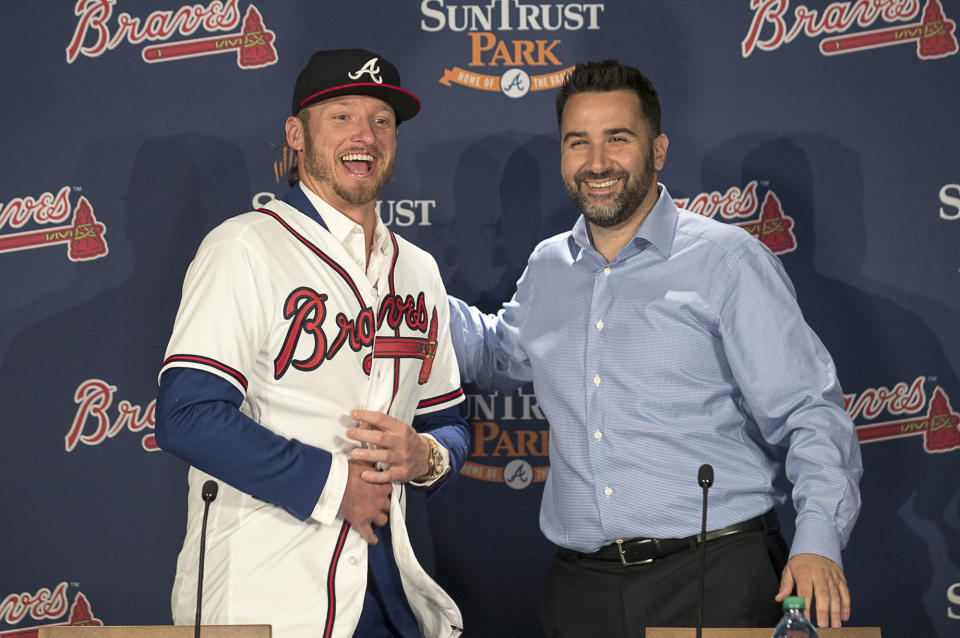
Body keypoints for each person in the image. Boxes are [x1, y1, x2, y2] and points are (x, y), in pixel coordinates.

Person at [447, 59, 863, 636]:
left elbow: (809, 413)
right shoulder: (549, 266)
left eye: (618, 139)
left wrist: (817, 539)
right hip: (579, 590)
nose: (597, 163)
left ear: (658, 149)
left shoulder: (727, 260)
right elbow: (496, 351)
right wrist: (393, 287)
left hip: (715, 580)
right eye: (578, 142)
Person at [156, 48, 468, 638]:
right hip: (267, 595)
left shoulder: (418, 270)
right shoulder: (245, 247)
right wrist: (333, 486)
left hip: (388, 589)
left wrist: (425, 456)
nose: (366, 135)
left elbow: (449, 422)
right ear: (296, 135)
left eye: (382, 120)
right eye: (341, 116)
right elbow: (187, 415)